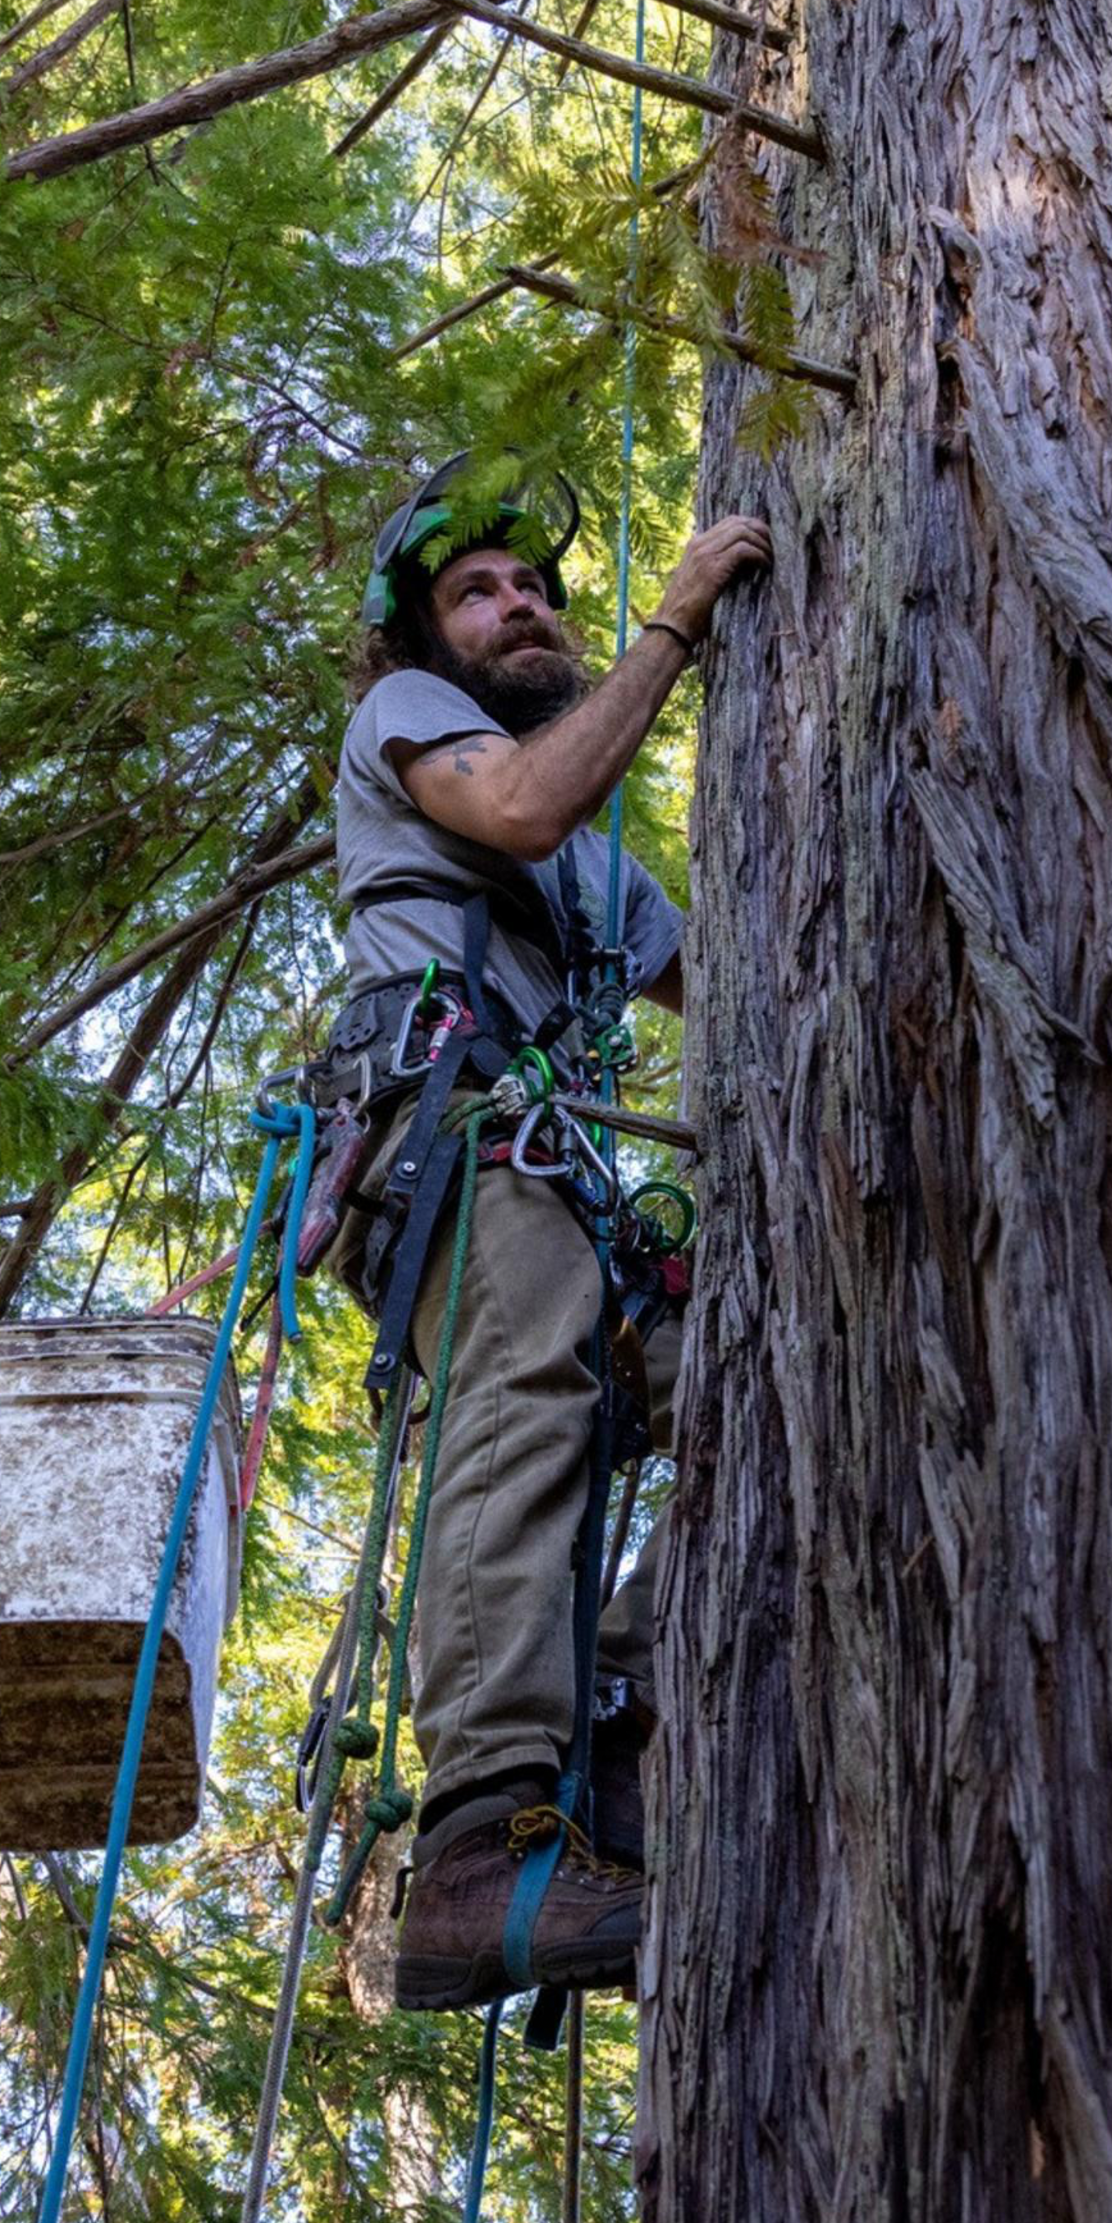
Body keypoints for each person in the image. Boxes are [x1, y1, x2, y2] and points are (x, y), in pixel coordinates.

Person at [307, 458, 769, 2011]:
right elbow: (513, 800)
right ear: (423, 646)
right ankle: (480, 1843)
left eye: (532, 587)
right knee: (523, 1393)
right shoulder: (413, 733)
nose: (520, 603)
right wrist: (676, 629)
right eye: (477, 591)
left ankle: (620, 1724)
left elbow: (723, 980)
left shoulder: (593, 872)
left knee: (740, 1367)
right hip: (455, 1146)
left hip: (554, 1183)